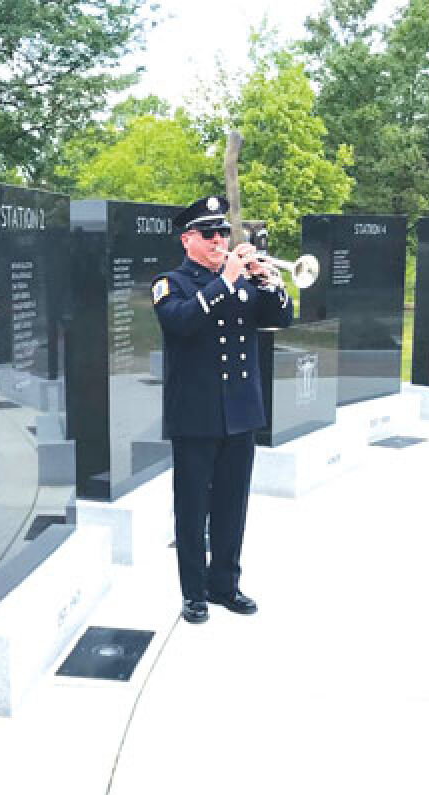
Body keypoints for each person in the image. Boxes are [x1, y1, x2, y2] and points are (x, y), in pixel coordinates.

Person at [152, 195, 293, 624]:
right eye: (210, 234)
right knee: (193, 507)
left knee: (233, 505)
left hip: (240, 412)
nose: (219, 240)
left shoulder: (242, 282)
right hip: (195, 415)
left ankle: (225, 584)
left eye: (223, 233)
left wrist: (266, 281)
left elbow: (281, 318)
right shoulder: (171, 284)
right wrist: (225, 280)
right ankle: (193, 592)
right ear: (187, 240)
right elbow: (180, 322)